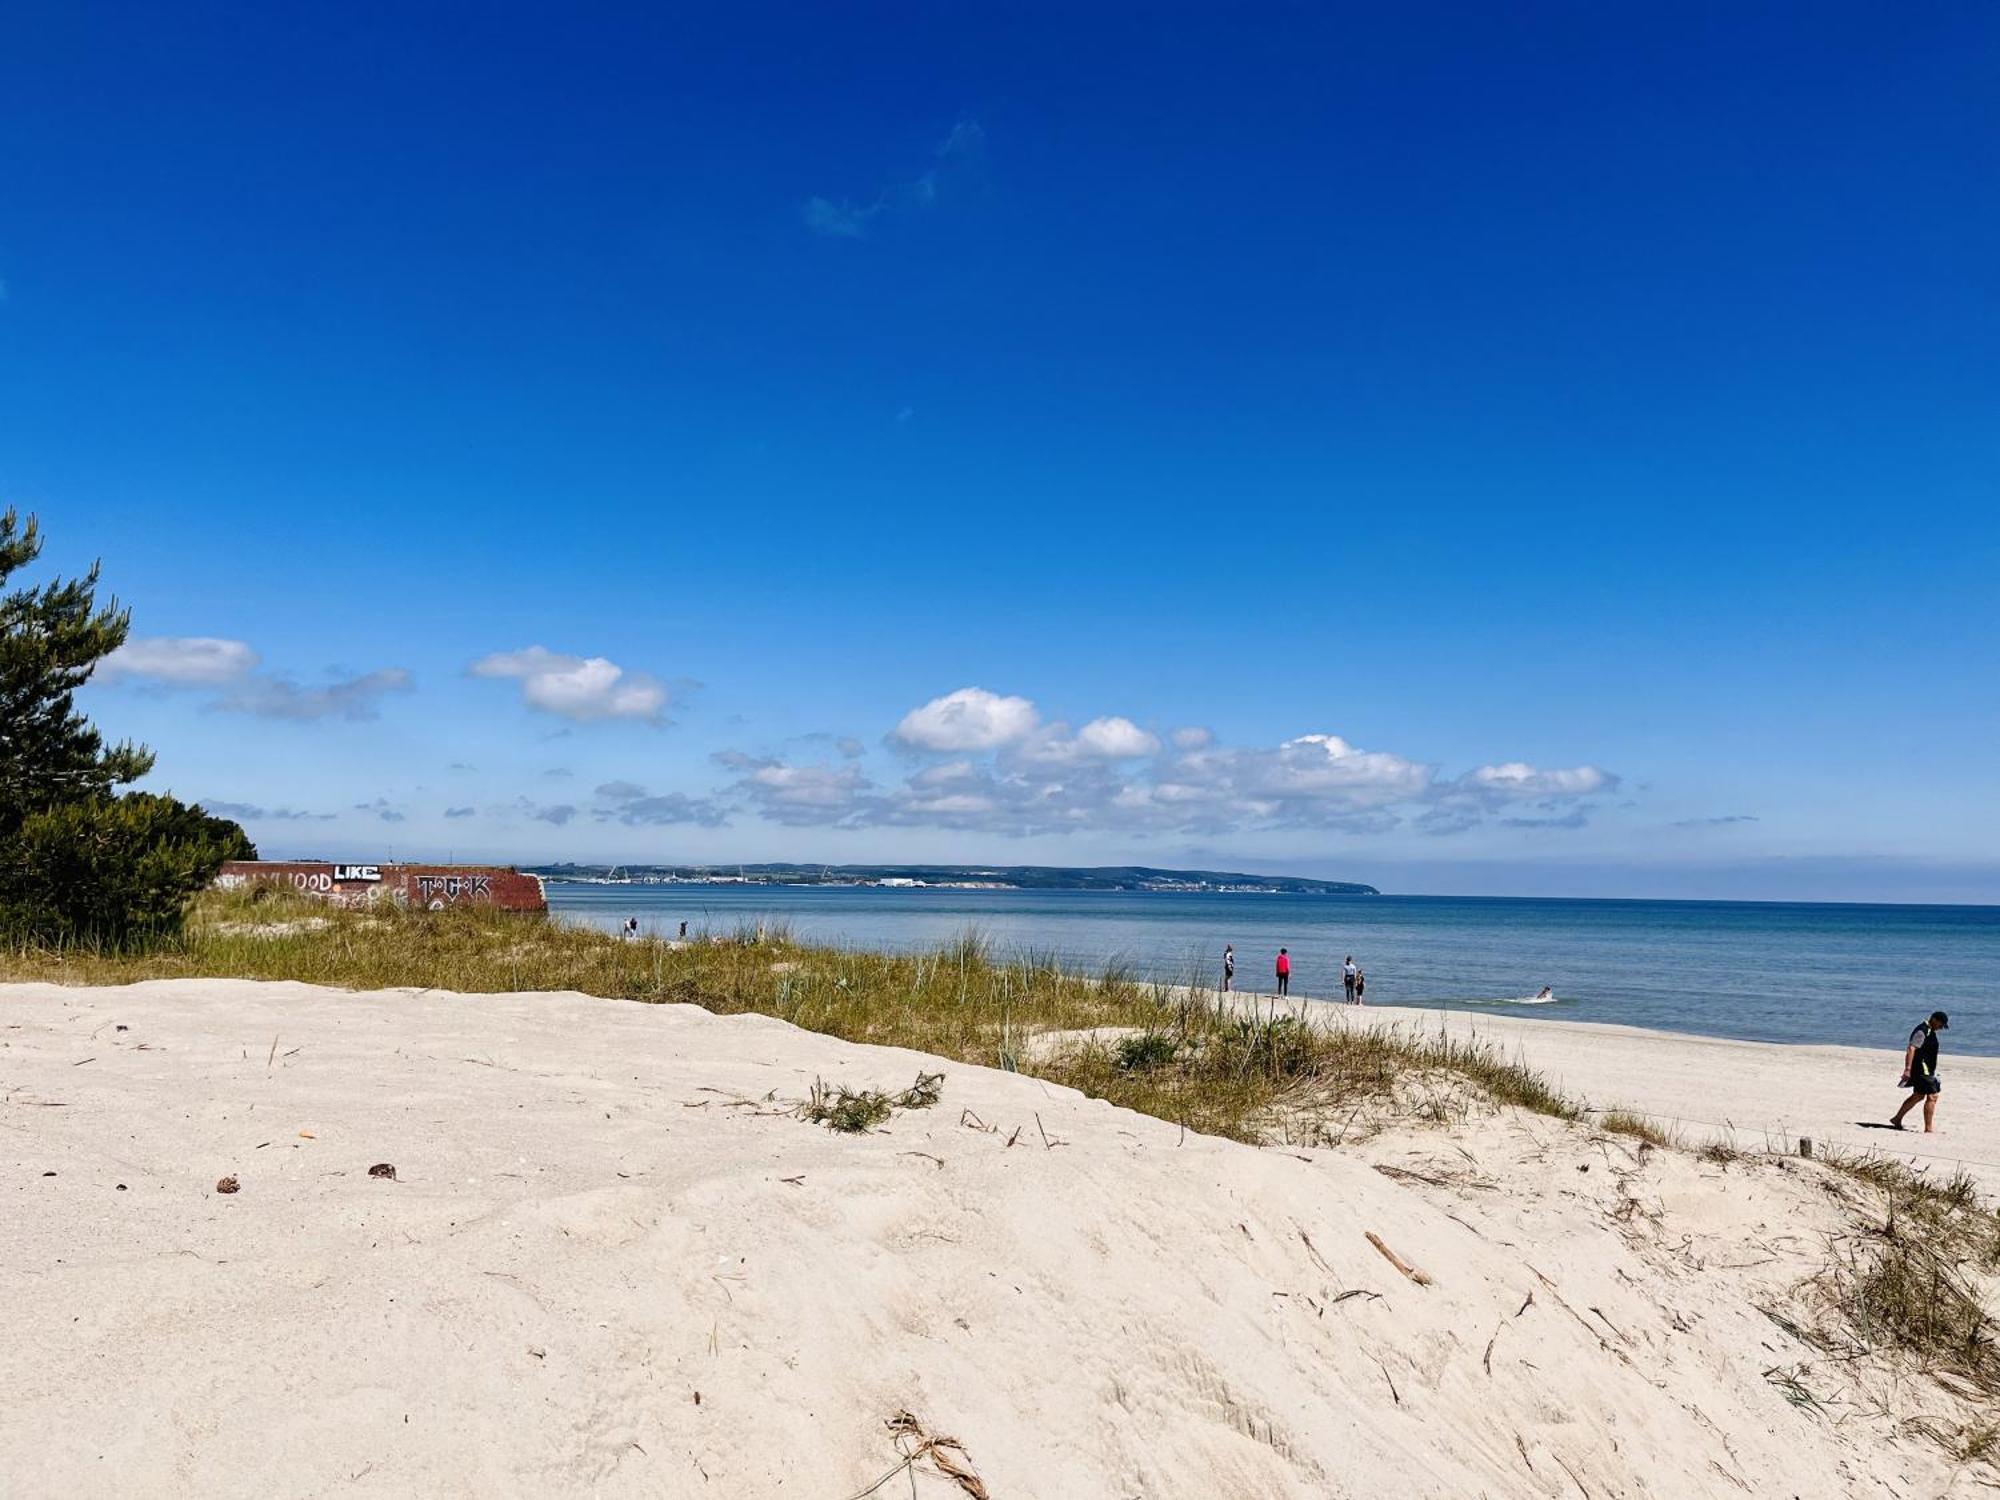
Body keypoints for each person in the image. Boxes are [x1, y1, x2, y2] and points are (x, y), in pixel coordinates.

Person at [1890, 1011, 1950, 1133]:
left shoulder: (1929, 1031)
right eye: (1941, 1025)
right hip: (1922, 1070)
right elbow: (1911, 1048)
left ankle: (1897, 1119)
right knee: (1933, 1096)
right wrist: (1907, 1069)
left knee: (1918, 1096)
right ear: (1934, 1019)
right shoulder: (1922, 1030)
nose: (1941, 1028)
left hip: (1927, 1069)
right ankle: (1928, 1129)